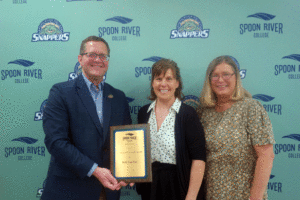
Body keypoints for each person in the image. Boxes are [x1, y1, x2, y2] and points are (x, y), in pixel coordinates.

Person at [41, 36, 132, 200]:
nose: (98, 60)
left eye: (103, 56)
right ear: (80, 59)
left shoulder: (118, 97)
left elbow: (127, 142)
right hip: (69, 191)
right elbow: (56, 142)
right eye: (92, 54)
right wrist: (95, 170)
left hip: (107, 191)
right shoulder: (61, 93)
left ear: (108, 61)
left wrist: (131, 171)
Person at [197, 55, 275, 200]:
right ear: (209, 81)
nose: (220, 80)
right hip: (213, 194)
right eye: (215, 76)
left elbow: (266, 156)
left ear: (236, 77)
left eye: (226, 74)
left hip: (244, 194)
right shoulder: (204, 113)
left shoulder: (251, 108)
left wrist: (255, 197)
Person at [136, 58, 206, 200]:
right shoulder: (144, 113)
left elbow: (198, 159)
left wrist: (191, 197)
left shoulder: (188, 115)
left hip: (179, 186)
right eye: (158, 78)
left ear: (177, 83)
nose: (163, 84)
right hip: (150, 187)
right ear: (152, 83)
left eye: (169, 78)